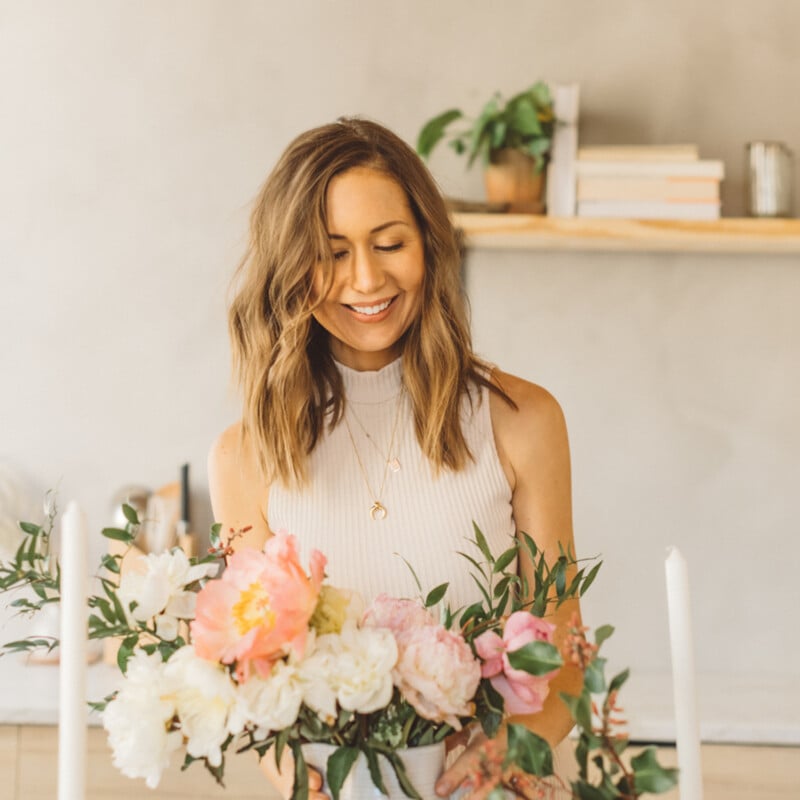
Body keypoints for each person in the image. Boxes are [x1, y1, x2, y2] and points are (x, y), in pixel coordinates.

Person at [208, 117, 582, 800]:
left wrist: (509, 755)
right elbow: (258, 678)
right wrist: (299, 773)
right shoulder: (245, 455)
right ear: (290, 264)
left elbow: (567, 653)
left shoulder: (522, 422)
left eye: (389, 244)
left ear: (429, 247)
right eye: (331, 252)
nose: (366, 278)